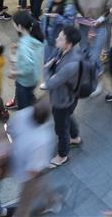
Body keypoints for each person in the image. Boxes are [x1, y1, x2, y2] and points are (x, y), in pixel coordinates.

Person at [7, 97, 58, 217]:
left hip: (23, 164)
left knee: (25, 204)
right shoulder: (43, 138)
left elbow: (9, 130)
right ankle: (52, 201)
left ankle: (52, 200)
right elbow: (34, 171)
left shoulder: (22, 114)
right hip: (31, 172)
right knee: (28, 199)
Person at [44, 26, 83, 167]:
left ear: (69, 43)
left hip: (63, 99)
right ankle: (75, 137)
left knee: (61, 128)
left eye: (60, 38)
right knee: (67, 117)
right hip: (69, 96)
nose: (56, 39)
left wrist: (46, 69)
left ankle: (62, 155)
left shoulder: (71, 64)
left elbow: (50, 83)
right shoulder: (65, 51)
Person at [75, 0, 112, 80]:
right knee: (84, 50)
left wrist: (100, 19)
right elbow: (73, 6)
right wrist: (77, 14)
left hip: (100, 27)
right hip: (84, 27)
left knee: (95, 55)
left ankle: (96, 72)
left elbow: (110, 8)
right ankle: (91, 68)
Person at [10, 11, 44, 111]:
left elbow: (28, 68)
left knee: (23, 107)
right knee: (29, 94)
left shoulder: (24, 46)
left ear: (19, 26)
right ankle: (31, 102)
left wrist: (14, 73)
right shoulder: (35, 37)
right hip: (35, 78)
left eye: (14, 23)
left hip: (24, 82)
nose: (13, 25)